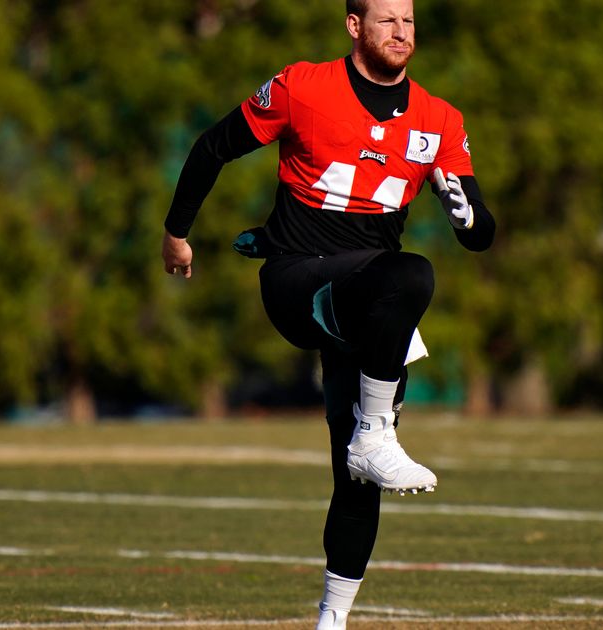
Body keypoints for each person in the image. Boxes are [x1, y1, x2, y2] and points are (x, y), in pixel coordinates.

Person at [162, 0, 494, 627]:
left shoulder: (440, 121)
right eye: (388, 18)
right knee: (411, 273)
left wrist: (467, 216)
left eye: (410, 20)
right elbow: (213, 147)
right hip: (297, 283)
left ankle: (331, 621)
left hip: (372, 304)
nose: (402, 31)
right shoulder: (303, 86)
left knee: (359, 475)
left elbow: (480, 232)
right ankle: (377, 433)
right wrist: (177, 232)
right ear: (354, 26)